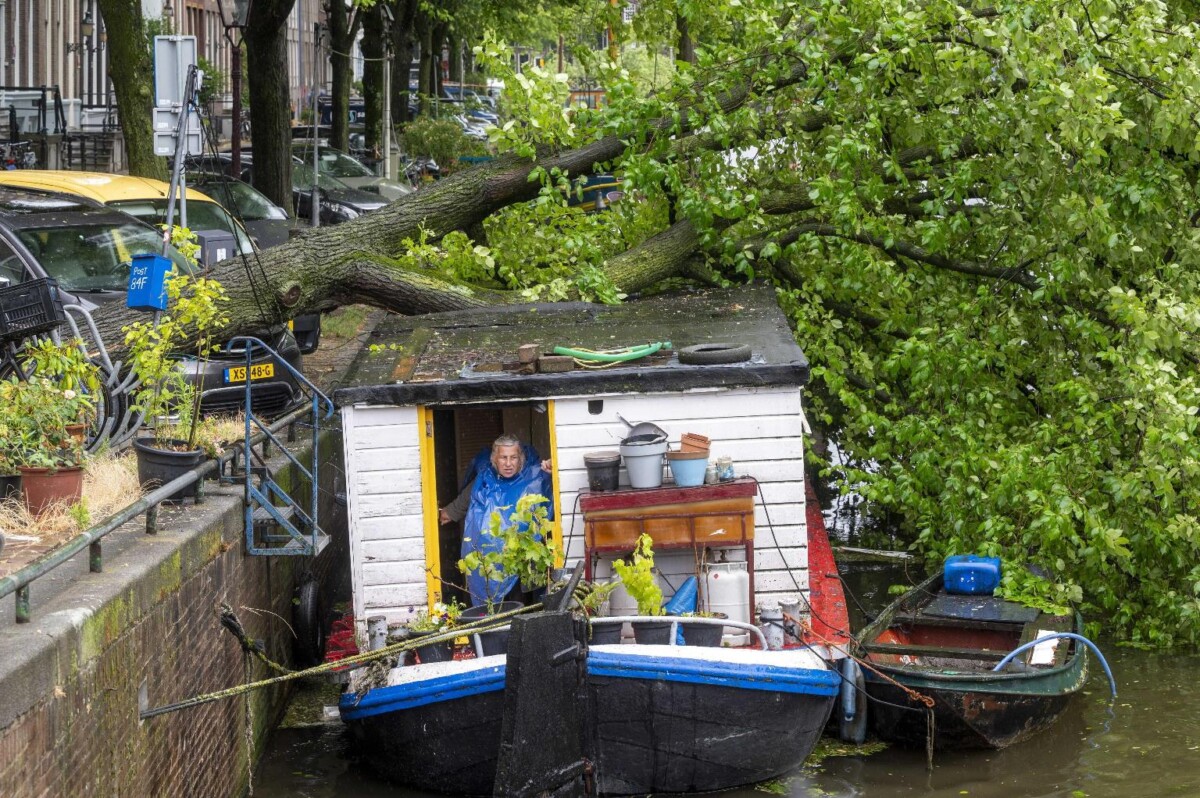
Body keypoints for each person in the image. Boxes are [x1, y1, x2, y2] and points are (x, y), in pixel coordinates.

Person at [439, 434, 553, 605]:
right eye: (503, 457)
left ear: (520, 458)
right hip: (492, 562)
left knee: (525, 606)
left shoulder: (536, 477)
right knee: (496, 608)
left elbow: (557, 491)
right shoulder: (484, 481)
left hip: (526, 562)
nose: (508, 463)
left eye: (513, 457)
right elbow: (453, 510)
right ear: (494, 459)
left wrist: (554, 467)